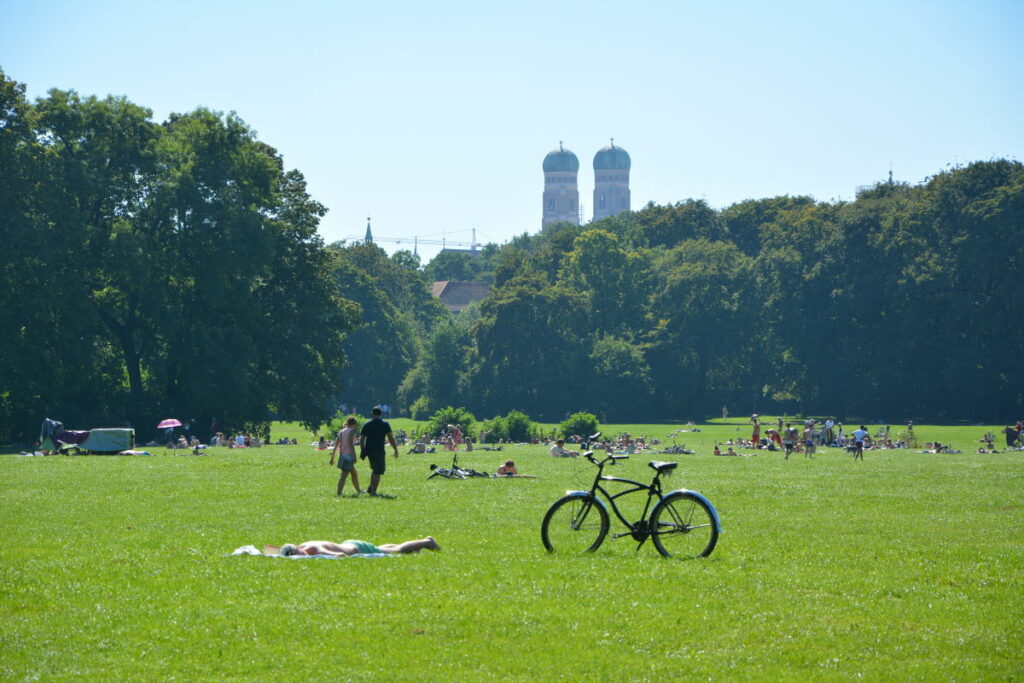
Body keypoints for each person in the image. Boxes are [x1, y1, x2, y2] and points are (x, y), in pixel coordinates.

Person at [360, 406, 399, 495]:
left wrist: (363, 450)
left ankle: (371, 488)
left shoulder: (367, 424)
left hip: (369, 451)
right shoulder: (385, 424)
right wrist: (395, 449)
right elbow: (390, 438)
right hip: (379, 450)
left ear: (372, 414)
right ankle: (373, 492)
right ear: (381, 414)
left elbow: (361, 439)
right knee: (378, 471)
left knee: (374, 469)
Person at [279, 537, 440, 557]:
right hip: (352, 544)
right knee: (382, 548)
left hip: (357, 549)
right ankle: (417, 545)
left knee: (397, 551)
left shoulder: (314, 550)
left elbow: (339, 556)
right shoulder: (306, 544)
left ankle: (426, 542)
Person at [330, 417, 362, 496]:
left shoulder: (341, 432)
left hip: (342, 456)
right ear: (353, 424)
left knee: (354, 473)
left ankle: (359, 491)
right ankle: (339, 493)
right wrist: (354, 456)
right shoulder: (351, 431)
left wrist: (332, 458)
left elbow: (336, 445)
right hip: (349, 456)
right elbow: (351, 445)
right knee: (344, 475)